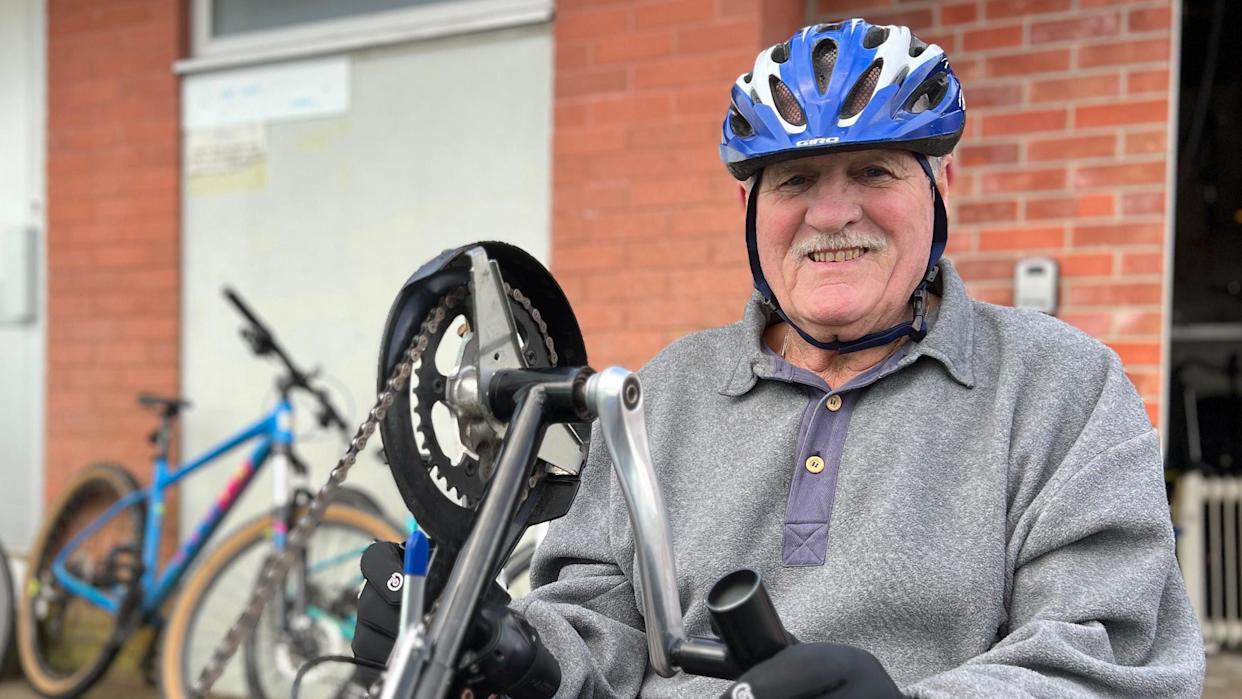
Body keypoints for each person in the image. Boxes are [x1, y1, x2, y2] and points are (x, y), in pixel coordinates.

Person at [354, 19, 1206, 698]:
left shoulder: (1064, 388)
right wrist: (513, 651)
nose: (833, 214)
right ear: (749, 207)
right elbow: (596, 630)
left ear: (942, 193)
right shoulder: (666, 389)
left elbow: (1113, 661)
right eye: (795, 181)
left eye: (873, 170)